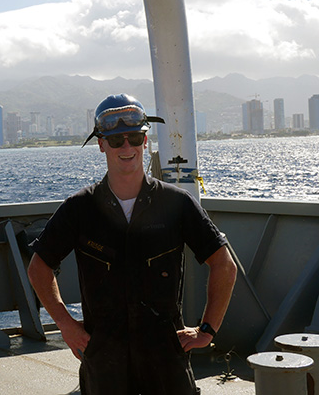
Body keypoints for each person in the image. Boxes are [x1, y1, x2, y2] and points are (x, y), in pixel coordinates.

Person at [27, 94, 237, 395]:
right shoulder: (79, 208)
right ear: (101, 144)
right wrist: (66, 324)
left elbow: (223, 264)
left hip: (165, 356)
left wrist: (207, 329)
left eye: (135, 138)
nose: (127, 147)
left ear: (145, 140)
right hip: (104, 358)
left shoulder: (176, 203)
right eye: (116, 141)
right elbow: (40, 266)